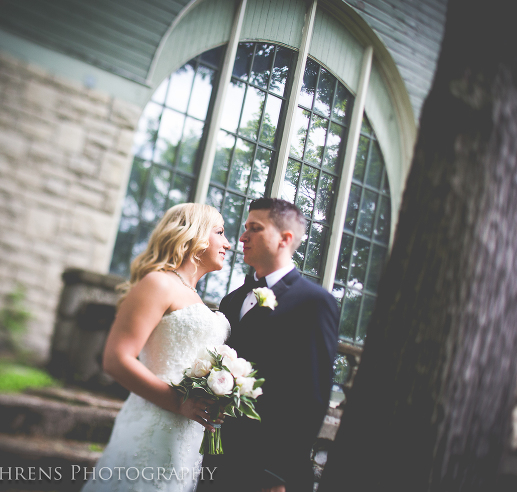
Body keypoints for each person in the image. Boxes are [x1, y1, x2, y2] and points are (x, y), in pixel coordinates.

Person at [82, 203, 232, 492]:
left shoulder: (195, 298)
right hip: (153, 425)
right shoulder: (159, 284)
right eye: (220, 232)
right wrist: (177, 402)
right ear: (194, 235)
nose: (227, 243)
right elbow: (116, 358)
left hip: (186, 438)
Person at [199, 198, 340, 492]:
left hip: (267, 469)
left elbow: (312, 396)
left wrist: (277, 473)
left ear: (285, 239)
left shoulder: (314, 302)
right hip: (217, 459)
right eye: (245, 227)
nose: (242, 237)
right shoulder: (232, 300)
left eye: (255, 228)